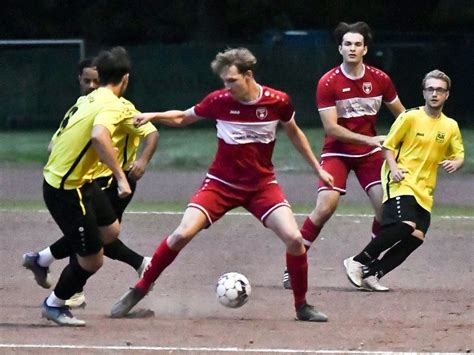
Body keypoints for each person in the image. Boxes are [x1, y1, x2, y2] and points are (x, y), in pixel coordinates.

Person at [110, 47, 334, 322]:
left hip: (261, 186)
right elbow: (183, 117)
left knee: (295, 239)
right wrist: (153, 115)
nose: (227, 87)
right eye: (224, 81)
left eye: (232, 80)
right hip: (220, 184)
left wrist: (318, 169)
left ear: (248, 75)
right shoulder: (219, 100)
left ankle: (302, 306)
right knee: (181, 234)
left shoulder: (278, 101)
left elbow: (295, 133)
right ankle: (140, 289)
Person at [23, 59, 158, 309]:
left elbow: (151, 132)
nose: (92, 85)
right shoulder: (86, 105)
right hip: (88, 181)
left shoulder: (116, 107)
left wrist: (140, 162)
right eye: (87, 80)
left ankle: (43, 260)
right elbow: (60, 143)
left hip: (110, 181)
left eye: (96, 80)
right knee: (93, 244)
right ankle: (67, 291)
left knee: (104, 234)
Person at [282, 21, 405, 290]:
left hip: (370, 154)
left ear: (365, 49)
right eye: (347, 44)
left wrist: (413, 138)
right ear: (340, 48)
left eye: (357, 44)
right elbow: (331, 129)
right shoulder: (328, 82)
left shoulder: (380, 79)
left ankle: (365, 265)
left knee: (386, 211)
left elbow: (403, 117)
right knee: (325, 207)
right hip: (337, 151)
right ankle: (293, 266)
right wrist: (369, 139)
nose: (352, 48)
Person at [344, 69, 464, 291]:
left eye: (439, 90)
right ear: (424, 93)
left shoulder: (450, 126)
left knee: (416, 236)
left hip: (425, 188)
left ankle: (372, 274)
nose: (434, 94)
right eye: (430, 89)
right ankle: (358, 261)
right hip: (401, 180)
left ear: (447, 95)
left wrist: (456, 163)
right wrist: (394, 168)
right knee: (404, 225)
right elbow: (388, 145)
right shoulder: (409, 117)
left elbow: (458, 154)